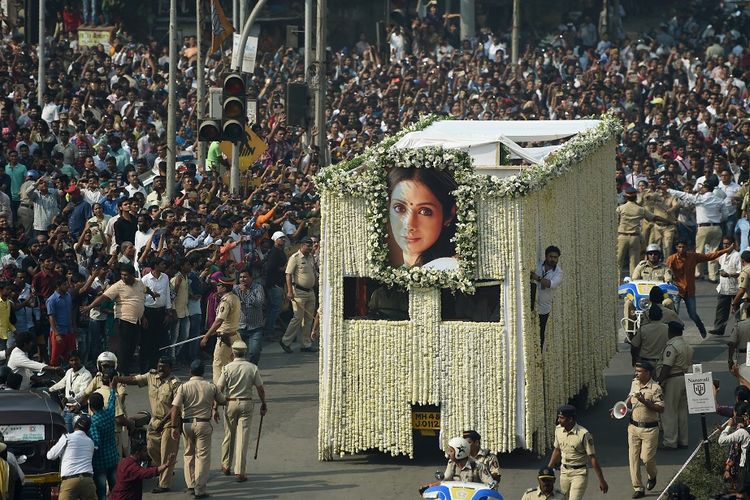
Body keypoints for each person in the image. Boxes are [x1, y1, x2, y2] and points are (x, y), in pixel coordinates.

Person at [115, 356, 180, 493]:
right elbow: (134, 380)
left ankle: (164, 484)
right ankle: (165, 468)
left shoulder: (175, 383)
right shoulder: (151, 376)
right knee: (150, 448)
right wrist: (118, 379)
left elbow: (176, 407)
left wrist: (163, 423)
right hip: (155, 420)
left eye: (163, 367)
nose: (160, 369)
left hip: (169, 421)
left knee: (167, 451)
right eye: (159, 366)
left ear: (170, 368)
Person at [81, 264, 155, 375]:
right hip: (123, 321)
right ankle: (120, 372)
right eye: (122, 275)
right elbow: (103, 297)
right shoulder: (118, 286)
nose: (124, 277)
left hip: (137, 321)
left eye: (126, 275)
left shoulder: (139, 283)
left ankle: (126, 370)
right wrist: (89, 307)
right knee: (122, 348)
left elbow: (146, 290)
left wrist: (153, 294)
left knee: (132, 346)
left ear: (132, 275)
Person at [170, 360, 226, 499]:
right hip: (203, 424)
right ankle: (200, 489)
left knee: (188, 454)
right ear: (203, 372)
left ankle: (190, 484)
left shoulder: (183, 387)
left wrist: (173, 426)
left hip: (187, 424)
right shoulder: (210, 386)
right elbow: (223, 400)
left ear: (190, 371)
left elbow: (175, 408)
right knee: (202, 456)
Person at [386, 167, 458, 269]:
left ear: (449, 215)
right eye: (399, 208)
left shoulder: (446, 268)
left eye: (425, 211)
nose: (409, 224)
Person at [216, 340, 267, 482]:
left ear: (233, 352)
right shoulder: (252, 368)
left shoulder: (227, 368)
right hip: (246, 402)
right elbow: (260, 388)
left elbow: (219, 388)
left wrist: (216, 405)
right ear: (245, 353)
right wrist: (264, 403)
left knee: (228, 435)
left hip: (230, 402)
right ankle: (239, 471)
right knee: (242, 438)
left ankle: (226, 465)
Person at [666, 239, 733, 338]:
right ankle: (673, 335)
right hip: (676, 290)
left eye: (683, 247)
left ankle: (700, 326)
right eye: (679, 247)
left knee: (693, 315)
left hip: (689, 291)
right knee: (673, 314)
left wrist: (725, 250)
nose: (681, 249)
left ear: (687, 247)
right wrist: (669, 276)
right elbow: (666, 270)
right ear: (676, 248)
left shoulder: (693, 256)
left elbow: (709, 256)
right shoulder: (671, 259)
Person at [668, 176, 727, 282]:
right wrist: (717, 219)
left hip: (703, 228)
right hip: (716, 227)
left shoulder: (700, 199)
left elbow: (684, 195)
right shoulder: (719, 200)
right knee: (713, 252)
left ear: (705, 188)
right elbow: (725, 216)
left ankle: (698, 273)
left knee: (699, 251)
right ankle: (712, 276)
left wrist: (669, 190)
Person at [546, 405, 608, 500]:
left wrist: (602, 481)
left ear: (570, 419)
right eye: (558, 417)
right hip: (564, 473)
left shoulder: (584, 434)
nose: (558, 420)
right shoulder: (558, 430)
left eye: (561, 418)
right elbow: (557, 450)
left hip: (579, 474)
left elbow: (592, 458)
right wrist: (548, 469)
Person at [624, 361, 664, 498]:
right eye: (636, 371)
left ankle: (652, 476)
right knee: (633, 459)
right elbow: (630, 396)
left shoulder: (656, 388)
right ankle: (638, 488)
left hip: (650, 429)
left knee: (646, 459)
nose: (636, 373)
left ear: (648, 373)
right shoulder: (634, 382)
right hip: (633, 427)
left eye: (639, 371)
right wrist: (622, 407)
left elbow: (661, 408)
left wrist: (644, 401)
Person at [617, 187, 673, 277]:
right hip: (635, 237)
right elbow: (655, 218)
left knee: (618, 263)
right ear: (635, 197)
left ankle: (617, 285)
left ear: (626, 197)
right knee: (634, 264)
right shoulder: (640, 209)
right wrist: (670, 221)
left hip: (622, 236)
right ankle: (633, 282)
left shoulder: (620, 208)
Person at [657, 321, 694, 449]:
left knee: (669, 411)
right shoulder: (687, 345)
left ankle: (670, 441)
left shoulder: (672, 346)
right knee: (682, 410)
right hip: (685, 378)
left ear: (670, 332)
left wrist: (659, 381)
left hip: (673, 380)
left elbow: (667, 366)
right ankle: (683, 440)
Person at [200, 276, 241, 385]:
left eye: (219, 285)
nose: (217, 287)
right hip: (235, 336)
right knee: (233, 364)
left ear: (223, 288)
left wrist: (206, 336)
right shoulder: (234, 298)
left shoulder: (226, 301)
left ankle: (218, 392)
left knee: (218, 364)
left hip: (225, 338)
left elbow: (219, 321)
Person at [280, 237, 318, 353]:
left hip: (310, 291)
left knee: (308, 319)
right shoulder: (295, 258)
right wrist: (290, 291)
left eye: (311, 245)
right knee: (297, 317)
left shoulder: (310, 257)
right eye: (308, 245)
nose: (310, 248)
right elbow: (288, 275)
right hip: (298, 291)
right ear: (302, 245)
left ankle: (305, 344)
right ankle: (285, 341)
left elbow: (314, 271)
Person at [46, 414, 97, 500]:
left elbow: (50, 456)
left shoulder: (66, 437)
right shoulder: (90, 442)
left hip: (70, 481)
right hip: (88, 481)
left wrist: (52, 447)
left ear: (75, 424)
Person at [418, 437, 494, 493]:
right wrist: (429, 486)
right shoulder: (452, 463)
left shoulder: (479, 467)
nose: (448, 453)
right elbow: (444, 481)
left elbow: (492, 486)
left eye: (451, 451)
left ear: (460, 452)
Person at [107, 439, 176, 500]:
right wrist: (166, 465)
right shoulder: (132, 468)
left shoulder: (125, 461)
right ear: (137, 453)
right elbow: (148, 473)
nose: (147, 453)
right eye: (144, 451)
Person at [49, 351, 93, 432]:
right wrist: (49, 390)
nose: (74, 362)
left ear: (80, 360)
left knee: (75, 436)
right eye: (71, 360)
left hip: (78, 410)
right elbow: (62, 383)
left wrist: (67, 399)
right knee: (67, 434)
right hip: (67, 409)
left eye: (76, 360)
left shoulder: (87, 375)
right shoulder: (69, 372)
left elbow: (83, 393)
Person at [88, 387, 118, 500]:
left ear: (91, 407)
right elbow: (112, 401)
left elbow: (96, 443)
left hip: (99, 463)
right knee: (114, 489)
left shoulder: (94, 421)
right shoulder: (110, 413)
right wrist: (112, 388)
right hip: (113, 458)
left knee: (101, 492)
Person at [530, 245, 562, 347]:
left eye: (555, 257)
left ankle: (538, 356)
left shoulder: (559, 273)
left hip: (544, 308)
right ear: (546, 256)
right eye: (550, 256)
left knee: (540, 334)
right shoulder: (538, 265)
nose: (553, 259)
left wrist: (537, 278)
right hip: (531, 306)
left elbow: (551, 284)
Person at [710, 236, 742, 335]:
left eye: (728, 244)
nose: (725, 245)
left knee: (738, 311)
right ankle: (719, 329)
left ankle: (740, 330)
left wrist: (728, 275)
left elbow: (741, 272)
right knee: (721, 310)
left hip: (735, 288)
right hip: (724, 287)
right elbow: (717, 259)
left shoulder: (737, 256)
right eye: (724, 244)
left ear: (733, 244)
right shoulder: (723, 255)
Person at [234, 269, 266, 365]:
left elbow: (259, 303)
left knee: (254, 352)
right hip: (240, 326)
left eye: (245, 277)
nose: (242, 279)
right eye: (240, 277)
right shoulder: (235, 289)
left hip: (255, 327)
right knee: (238, 354)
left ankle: (252, 372)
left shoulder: (258, 288)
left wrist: (247, 292)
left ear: (251, 278)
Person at [47, 277, 75, 367]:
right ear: (58, 286)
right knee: (55, 355)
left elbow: (70, 312)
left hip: (69, 330)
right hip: (59, 331)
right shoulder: (52, 300)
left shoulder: (68, 296)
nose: (67, 286)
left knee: (70, 353)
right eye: (64, 284)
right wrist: (56, 334)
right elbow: (51, 317)